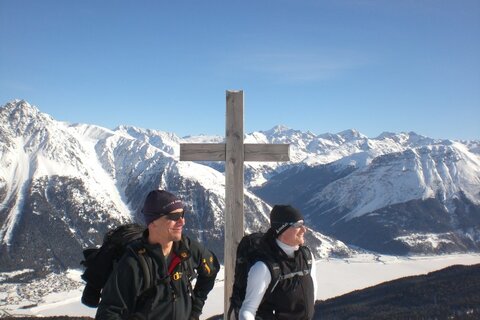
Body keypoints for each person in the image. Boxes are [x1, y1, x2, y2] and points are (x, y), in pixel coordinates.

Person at [96, 190, 219, 320]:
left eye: (182, 214)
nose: (182, 221)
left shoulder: (188, 249)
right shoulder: (134, 263)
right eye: (174, 216)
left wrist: (195, 310)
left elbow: (211, 269)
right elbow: (108, 312)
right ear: (153, 223)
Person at [239, 205, 317, 320]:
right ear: (283, 229)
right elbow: (247, 311)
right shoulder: (264, 267)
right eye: (297, 225)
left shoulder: (307, 257)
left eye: (303, 224)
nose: (304, 229)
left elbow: (311, 296)